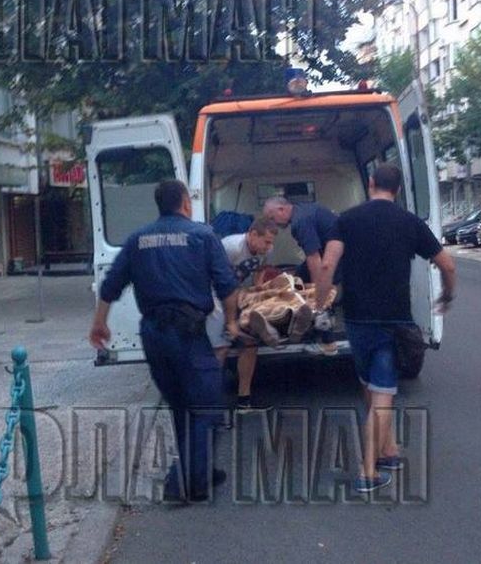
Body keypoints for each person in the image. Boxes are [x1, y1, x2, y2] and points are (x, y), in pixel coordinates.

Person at [89, 180, 239, 502]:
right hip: (188, 333)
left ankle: (200, 470)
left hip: (154, 334)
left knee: (181, 404)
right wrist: (232, 322)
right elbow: (227, 285)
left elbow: (110, 285)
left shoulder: (137, 240)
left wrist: (99, 323)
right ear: (185, 203)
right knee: (207, 404)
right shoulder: (202, 236)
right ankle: (185, 483)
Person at [316, 164, 456, 493]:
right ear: (398, 189)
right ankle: (367, 472)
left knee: (372, 386)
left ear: (370, 183)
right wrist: (447, 295)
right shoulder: (410, 222)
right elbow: (447, 265)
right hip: (393, 321)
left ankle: (388, 450)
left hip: (356, 320)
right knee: (383, 394)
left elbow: (327, 264)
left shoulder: (346, 219)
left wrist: (320, 306)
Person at [206, 217, 278, 408]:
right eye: (266, 241)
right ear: (253, 234)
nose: (269, 246)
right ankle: (210, 403)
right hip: (216, 295)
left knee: (250, 344)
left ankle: (243, 401)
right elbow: (212, 276)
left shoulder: (267, 250)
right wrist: (230, 318)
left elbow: (260, 269)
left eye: (271, 242)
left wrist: (257, 292)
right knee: (220, 348)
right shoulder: (230, 247)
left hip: (239, 293)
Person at [262, 196, 341, 356]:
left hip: (338, 258)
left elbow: (314, 259)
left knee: (312, 293)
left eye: (272, 218)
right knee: (297, 280)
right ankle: (304, 325)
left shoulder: (300, 222)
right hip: (338, 254)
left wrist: (318, 294)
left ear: (281, 210)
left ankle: (328, 342)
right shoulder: (303, 210)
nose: (273, 223)